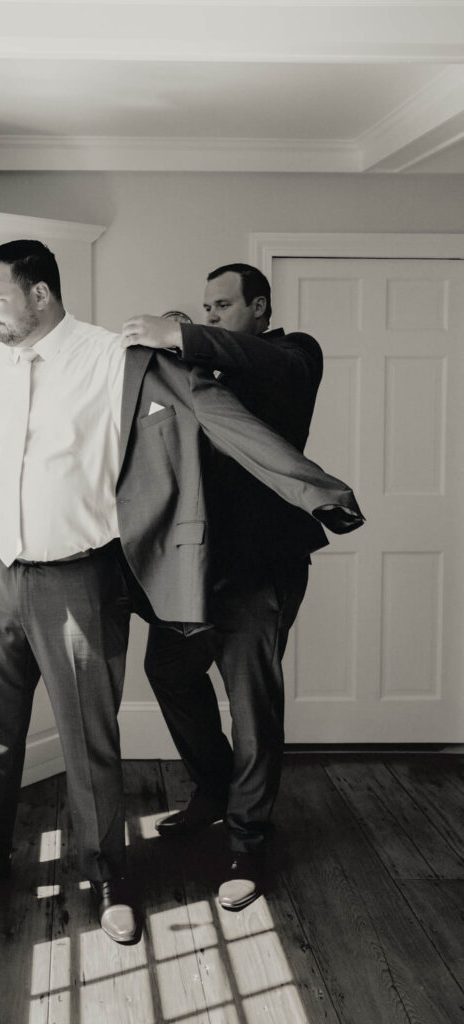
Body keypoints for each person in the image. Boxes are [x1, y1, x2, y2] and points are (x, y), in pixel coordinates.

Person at [0, 242, 363, 940]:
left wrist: (317, 492)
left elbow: (221, 416)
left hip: (102, 574)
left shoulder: (118, 358)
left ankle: (120, 877)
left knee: (96, 742)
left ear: (40, 294)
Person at [121, 262, 345, 912]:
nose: (213, 315)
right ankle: (215, 789)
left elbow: (262, 365)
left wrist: (182, 335)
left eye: (222, 306)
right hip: (196, 573)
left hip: (262, 570)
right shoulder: (202, 376)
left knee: (251, 706)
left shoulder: (292, 355)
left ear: (259, 306)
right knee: (167, 670)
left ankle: (249, 842)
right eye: (205, 308)